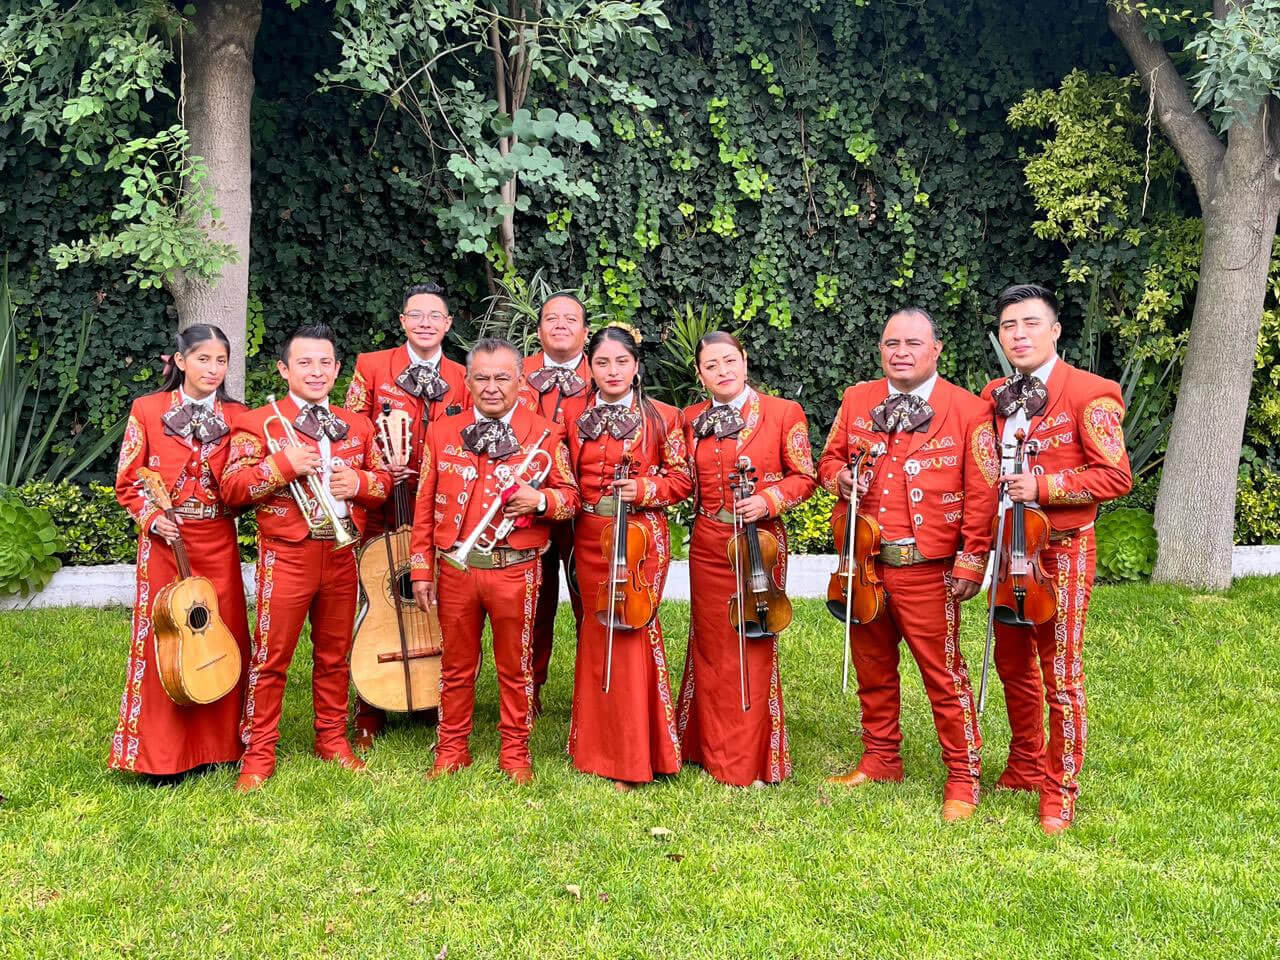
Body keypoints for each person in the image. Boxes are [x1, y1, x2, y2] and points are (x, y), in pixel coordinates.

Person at [818, 308, 999, 821]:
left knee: (943, 675)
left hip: (928, 568)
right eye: (891, 342)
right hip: (863, 565)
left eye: (913, 343)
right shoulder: (857, 398)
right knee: (873, 669)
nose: (900, 351)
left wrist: (971, 560)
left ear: (936, 350)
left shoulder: (967, 410)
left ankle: (963, 778)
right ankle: (881, 759)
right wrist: (840, 479)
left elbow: (983, 491)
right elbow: (828, 459)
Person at [982, 283, 1132, 834]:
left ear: (1054, 331)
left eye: (1028, 324)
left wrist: (1043, 486)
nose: (1018, 335)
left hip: (1062, 550)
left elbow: (1116, 475)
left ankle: (1060, 788)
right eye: (1008, 327)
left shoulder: (1092, 392)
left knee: (1060, 673)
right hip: (1007, 548)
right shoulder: (995, 392)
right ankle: (1023, 764)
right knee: (1011, 662)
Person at [220, 324, 391, 792]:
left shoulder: (357, 425)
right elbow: (233, 490)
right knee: (272, 658)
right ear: (283, 369)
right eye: (304, 363)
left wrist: (358, 485)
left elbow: (382, 484)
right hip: (288, 554)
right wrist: (281, 465)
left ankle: (332, 739)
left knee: (334, 655)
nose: (316, 372)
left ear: (337, 369)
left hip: (341, 553)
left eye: (324, 363)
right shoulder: (258, 422)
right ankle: (259, 752)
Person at [411, 338, 580, 785]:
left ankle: (515, 751)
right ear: (466, 382)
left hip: (516, 566)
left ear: (520, 381)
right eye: (481, 377)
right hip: (455, 569)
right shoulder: (442, 432)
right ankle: (451, 748)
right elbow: (424, 507)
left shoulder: (545, 432)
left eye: (502, 377)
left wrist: (539, 499)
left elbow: (571, 500)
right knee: (455, 665)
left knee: (515, 665)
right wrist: (421, 568)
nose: (491, 387)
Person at [675, 331, 816, 786]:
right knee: (712, 643)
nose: (723, 371)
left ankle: (749, 759)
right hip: (708, 540)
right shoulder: (689, 418)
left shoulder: (781, 412)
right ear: (700, 374)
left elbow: (805, 477)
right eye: (711, 365)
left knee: (753, 638)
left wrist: (769, 501)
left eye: (729, 361)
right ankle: (703, 746)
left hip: (761, 542)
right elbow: (678, 479)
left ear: (745, 361)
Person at [110, 324, 251, 777]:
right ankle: (161, 758)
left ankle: (222, 749)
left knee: (223, 636)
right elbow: (129, 480)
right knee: (167, 638)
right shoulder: (147, 410)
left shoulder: (239, 415)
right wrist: (153, 518)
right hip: (165, 544)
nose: (212, 369)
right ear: (180, 360)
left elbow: (246, 480)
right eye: (203, 359)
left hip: (219, 540)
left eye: (221, 361)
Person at [564, 324, 692, 790]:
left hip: (640, 537)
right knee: (596, 630)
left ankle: (639, 753)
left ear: (637, 366)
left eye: (622, 362)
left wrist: (644, 489)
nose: (612, 371)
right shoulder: (571, 413)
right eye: (602, 363)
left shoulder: (664, 416)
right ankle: (594, 747)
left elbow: (683, 481)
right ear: (589, 367)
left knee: (633, 629)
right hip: (589, 534)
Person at [344, 282, 469, 748]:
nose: (425, 323)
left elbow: (473, 435)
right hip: (383, 501)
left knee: (436, 598)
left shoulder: (462, 375)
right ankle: (368, 706)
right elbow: (352, 427)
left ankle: (433, 694)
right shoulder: (372, 366)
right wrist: (378, 461)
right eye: (415, 314)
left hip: (439, 504)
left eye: (435, 316)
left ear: (448, 324)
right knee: (375, 593)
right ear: (402, 321)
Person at [519, 292, 592, 714]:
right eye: (551, 318)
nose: (560, 325)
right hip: (525, 506)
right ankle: (529, 689)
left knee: (591, 599)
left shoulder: (605, 370)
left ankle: (594, 693)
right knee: (532, 602)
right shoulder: (514, 372)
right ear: (539, 329)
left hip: (586, 508)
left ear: (585, 331)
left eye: (570, 319)